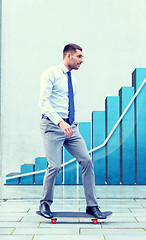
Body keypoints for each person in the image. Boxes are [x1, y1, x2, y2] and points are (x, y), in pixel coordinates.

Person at [39, 43, 105, 219]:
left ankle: (92, 205)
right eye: (80, 56)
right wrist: (61, 123)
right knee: (54, 166)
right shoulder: (50, 74)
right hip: (53, 126)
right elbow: (44, 103)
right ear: (69, 56)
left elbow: (69, 104)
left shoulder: (73, 80)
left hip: (71, 128)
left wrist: (71, 123)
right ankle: (45, 203)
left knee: (87, 161)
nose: (82, 60)